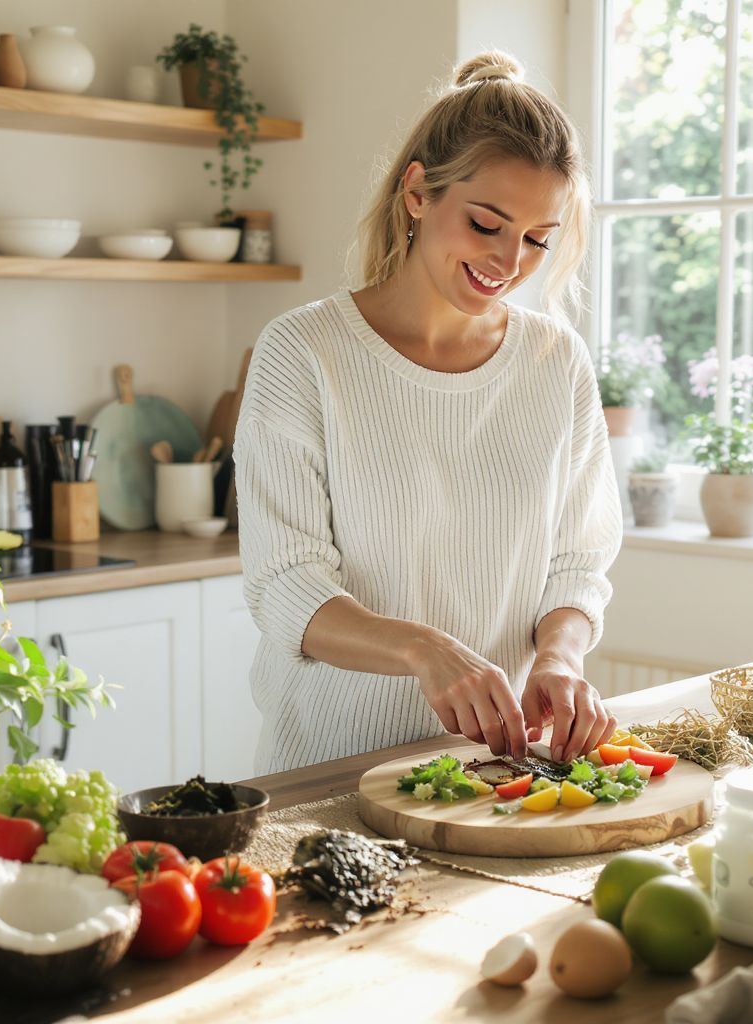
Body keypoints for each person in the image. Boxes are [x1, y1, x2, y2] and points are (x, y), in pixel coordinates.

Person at [236, 50, 623, 776]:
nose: (510, 261)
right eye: (486, 225)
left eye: (539, 238)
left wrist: (560, 656)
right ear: (418, 192)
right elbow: (286, 587)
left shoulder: (555, 361)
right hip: (330, 771)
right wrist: (424, 650)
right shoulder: (304, 352)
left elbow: (579, 558)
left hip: (489, 774)